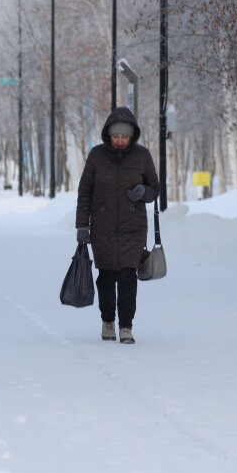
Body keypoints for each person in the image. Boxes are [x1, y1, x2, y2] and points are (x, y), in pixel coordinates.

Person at [75, 107, 159, 344]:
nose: (120, 141)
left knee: (128, 277)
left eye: (124, 137)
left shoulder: (142, 156)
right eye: (116, 137)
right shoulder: (96, 156)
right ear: (108, 135)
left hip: (133, 228)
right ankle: (108, 321)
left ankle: (126, 327)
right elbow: (85, 193)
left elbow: (155, 188)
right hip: (102, 226)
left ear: (132, 136)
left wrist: (144, 192)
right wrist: (83, 226)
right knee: (106, 276)